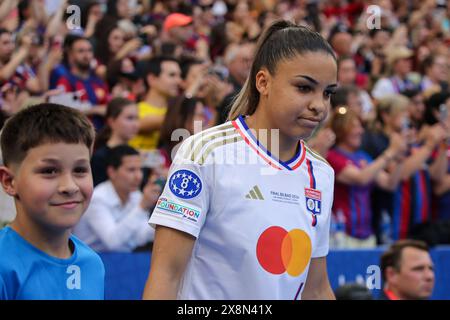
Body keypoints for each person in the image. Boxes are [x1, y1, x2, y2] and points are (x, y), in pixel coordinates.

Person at [143, 20, 338, 300]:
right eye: (304, 88)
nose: (319, 105)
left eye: (328, 92)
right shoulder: (204, 152)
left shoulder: (321, 173)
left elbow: (316, 289)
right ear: (263, 82)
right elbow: (166, 275)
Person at [0, 103, 104, 299]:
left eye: (80, 170)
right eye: (49, 171)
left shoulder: (92, 263)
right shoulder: (4, 265)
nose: (70, 186)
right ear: (9, 181)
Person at [326, 107, 406, 248]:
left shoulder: (362, 157)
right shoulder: (332, 156)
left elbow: (389, 184)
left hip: (367, 234)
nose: (361, 131)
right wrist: (390, 152)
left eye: (360, 127)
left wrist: (399, 158)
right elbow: (361, 178)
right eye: (355, 127)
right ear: (341, 130)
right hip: (342, 234)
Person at [74, 145, 161, 252]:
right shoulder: (97, 198)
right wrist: (142, 207)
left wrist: (162, 213)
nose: (139, 176)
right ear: (112, 172)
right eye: (131, 170)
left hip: (121, 259)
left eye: (140, 169)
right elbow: (113, 242)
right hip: (91, 261)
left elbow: (141, 237)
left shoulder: (136, 195)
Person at [91, 97, 139, 186]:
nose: (135, 124)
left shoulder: (135, 153)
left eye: (137, 118)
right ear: (111, 121)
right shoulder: (100, 157)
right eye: (129, 118)